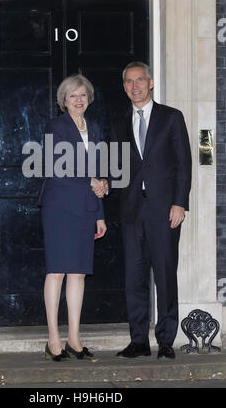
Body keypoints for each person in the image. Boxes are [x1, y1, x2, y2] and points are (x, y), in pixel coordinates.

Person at [93, 62, 192, 359]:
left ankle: (165, 340)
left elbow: (183, 165)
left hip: (165, 211)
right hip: (132, 211)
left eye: (140, 80)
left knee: (164, 275)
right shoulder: (120, 123)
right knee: (133, 278)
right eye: (129, 82)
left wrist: (180, 203)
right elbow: (117, 167)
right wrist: (105, 184)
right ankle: (138, 341)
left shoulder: (172, 118)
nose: (134, 86)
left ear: (150, 83)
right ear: (124, 87)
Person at [40, 74, 107, 362]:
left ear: (88, 99)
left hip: (85, 209)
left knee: (78, 273)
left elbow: (100, 173)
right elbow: (54, 168)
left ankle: (74, 339)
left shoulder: (94, 129)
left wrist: (100, 211)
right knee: (57, 271)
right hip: (59, 208)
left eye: (82, 95)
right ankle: (53, 340)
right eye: (72, 96)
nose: (78, 100)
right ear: (63, 101)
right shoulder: (55, 127)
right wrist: (91, 181)